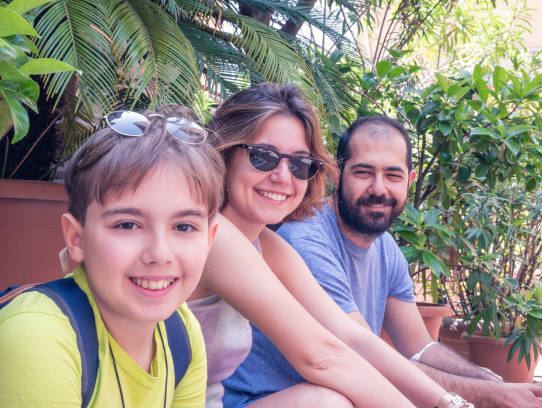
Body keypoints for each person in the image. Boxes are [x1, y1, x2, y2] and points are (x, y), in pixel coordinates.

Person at [225, 115, 542, 408]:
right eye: (363, 172)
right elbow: (350, 353)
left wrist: (491, 384)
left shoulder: (385, 248)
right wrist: (470, 398)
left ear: (409, 181)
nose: (378, 188)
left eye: (392, 175)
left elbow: (420, 347)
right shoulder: (304, 240)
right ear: (336, 174)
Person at [189, 83, 462, 408]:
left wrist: (450, 403)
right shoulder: (214, 234)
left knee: (327, 400)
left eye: (299, 164)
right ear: (225, 153)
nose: (282, 176)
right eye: (263, 157)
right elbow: (320, 356)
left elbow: (351, 337)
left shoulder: (267, 245)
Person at [0, 107, 224, 407]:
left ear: (209, 240)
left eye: (184, 226)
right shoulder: (38, 336)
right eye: (127, 225)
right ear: (76, 238)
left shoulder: (179, 331)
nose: (159, 253)